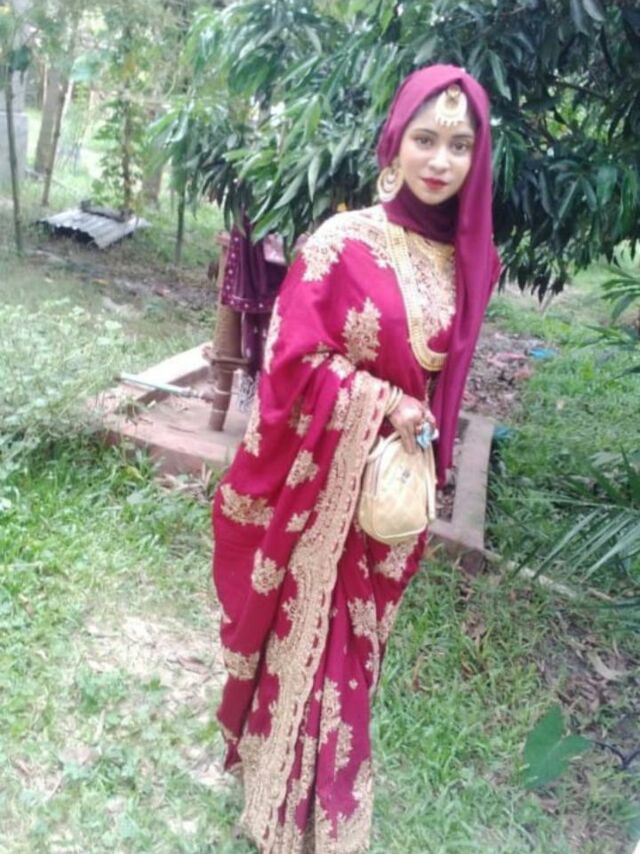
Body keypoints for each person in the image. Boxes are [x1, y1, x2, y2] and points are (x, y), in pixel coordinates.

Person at [211, 64, 501, 853]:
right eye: (425, 139)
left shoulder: (472, 258)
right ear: (395, 143)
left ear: (478, 157)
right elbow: (289, 358)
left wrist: (416, 436)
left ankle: (316, 789)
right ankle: (280, 797)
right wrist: (383, 404)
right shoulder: (343, 244)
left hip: (390, 491)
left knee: (355, 652)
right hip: (323, 479)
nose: (440, 160)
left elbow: (446, 381)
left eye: (460, 145)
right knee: (309, 634)